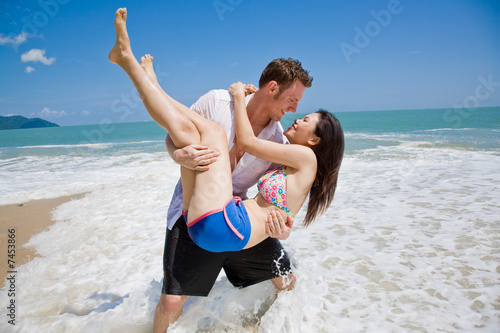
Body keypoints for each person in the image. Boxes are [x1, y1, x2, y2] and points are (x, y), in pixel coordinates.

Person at [109, 8, 343, 331]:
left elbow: (285, 203)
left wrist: (284, 230)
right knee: (174, 300)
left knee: (285, 278)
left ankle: (257, 327)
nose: (294, 110)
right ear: (272, 88)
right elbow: (173, 135)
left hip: (233, 216)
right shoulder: (217, 102)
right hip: (199, 208)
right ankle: (139, 73)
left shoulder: (282, 145)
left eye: (300, 110)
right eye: (292, 100)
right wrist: (180, 157)